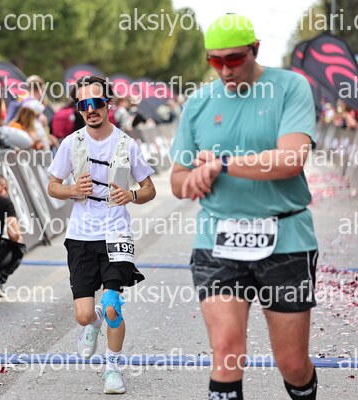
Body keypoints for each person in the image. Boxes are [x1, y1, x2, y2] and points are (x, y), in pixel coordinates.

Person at [170, 14, 319, 400]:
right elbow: (177, 180)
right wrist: (193, 179)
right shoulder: (198, 103)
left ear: (255, 50)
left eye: (234, 59)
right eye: (214, 61)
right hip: (218, 238)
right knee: (226, 351)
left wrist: (220, 165)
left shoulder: (290, 87)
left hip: (286, 238)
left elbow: (291, 159)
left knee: (292, 364)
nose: (224, 70)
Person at [47, 75, 155, 394]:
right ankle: (92, 324)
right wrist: (72, 190)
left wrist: (131, 195)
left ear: (109, 104)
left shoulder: (127, 144)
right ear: (79, 109)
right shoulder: (71, 143)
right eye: (83, 104)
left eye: (96, 103)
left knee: (112, 306)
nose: (90, 109)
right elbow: (53, 186)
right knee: (84, 315)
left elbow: (149, 188)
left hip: (115, 233)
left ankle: (112, 369)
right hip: (81, 235)